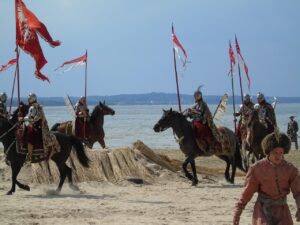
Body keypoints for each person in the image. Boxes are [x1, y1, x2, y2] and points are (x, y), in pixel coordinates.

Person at [233, 132, 300, 225]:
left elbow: (298, 192)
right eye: (275, 153)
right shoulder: (256, 169)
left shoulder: (290, 169)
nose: (278, 156)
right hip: (262, 210)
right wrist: (237, 212)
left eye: (281, 153)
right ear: (268, 152)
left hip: (282, 211)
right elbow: (247, 192)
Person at [19, 93, 57, 162]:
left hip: (37, 126)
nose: (28, 100)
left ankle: (30, 156)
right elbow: (29, 116)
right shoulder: (35, 106)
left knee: (29, 135)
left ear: (31, 99)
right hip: (35, 125)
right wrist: (23, 117)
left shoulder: (34, 107)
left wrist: (23, 119)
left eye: (29, 99)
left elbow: (33, 118)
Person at [185, 86, 221, 152]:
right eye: (195, 96)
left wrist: (192, 110)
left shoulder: (203, 104)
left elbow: (200, 112)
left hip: (205, 120)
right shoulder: (197, 105)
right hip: (197, 120)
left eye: (196, 96)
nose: (195, 97)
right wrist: (186, 114)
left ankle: (209, 143)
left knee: (203, 129)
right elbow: (192, 111)